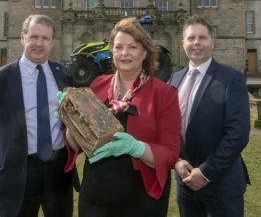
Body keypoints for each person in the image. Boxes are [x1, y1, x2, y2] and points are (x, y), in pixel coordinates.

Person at [62, 17, 181, 216]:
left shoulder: (165, 94)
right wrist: (71, 119)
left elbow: (170, 155)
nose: (124, 53)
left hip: (142, 201)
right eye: (118, 47)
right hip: (95, 198)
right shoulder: (98, 85)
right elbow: (76, 145)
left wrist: (136, 148)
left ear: (145, 52)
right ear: (112, 52)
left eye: (132, 47)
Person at [0, 14, 78, 217]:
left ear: (52, 42)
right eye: (33, 37)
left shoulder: (65, 75)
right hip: (18, 171)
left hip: (59, 170)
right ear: (23, 38)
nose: (39, 44)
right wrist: (4, 160)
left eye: (45, 38)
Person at [168, 15, 250, 217]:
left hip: (221, 184)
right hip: (185, 182)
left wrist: (205, 172)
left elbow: (237, 134)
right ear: (183, 43)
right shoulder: (174, 79)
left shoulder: (231, 79)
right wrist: (177, 161)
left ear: (212, 42)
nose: (196, 43)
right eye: (191, 38)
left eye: (202, 38)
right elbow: (168, 128)